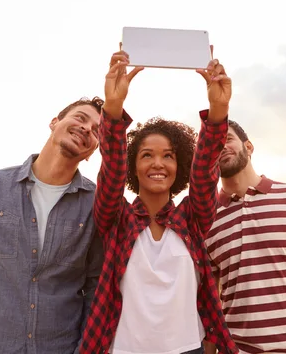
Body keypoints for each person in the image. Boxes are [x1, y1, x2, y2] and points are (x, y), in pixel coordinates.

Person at [79, 49, 238, 354]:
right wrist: (113, 106)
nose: (158, 164)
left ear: (179, 166)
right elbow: (110, 172)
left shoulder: (192, 219)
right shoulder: (117, 218)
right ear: (132, 164)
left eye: (168, 156)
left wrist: (218, 109)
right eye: (147, 155)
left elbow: (205, 173)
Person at [0, 97, 105, 354]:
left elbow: (95, 287)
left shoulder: (96, 204)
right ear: (54, 122)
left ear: (93, 150)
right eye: (80, 118)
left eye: (97, 130)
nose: (87, 128)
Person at [203, 120, 286, 354]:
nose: (220, 147)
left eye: (226, 139)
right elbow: (210, 299)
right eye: (211, 145)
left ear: (249, 146)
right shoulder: (207, 219)